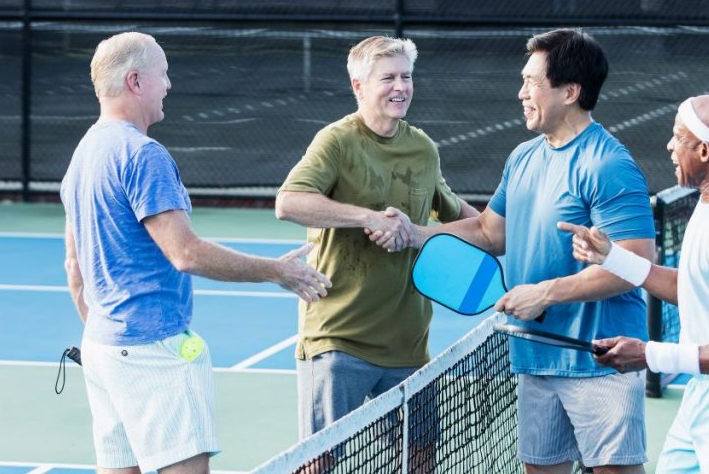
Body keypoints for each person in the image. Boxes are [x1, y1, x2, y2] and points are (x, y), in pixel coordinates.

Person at [61, 32, 331, 474]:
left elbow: (74, 266)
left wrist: (103, 335)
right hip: (152, 350)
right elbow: (185, 253)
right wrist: (276, 271)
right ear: (135, 81)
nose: (168, 84)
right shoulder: (142, 154)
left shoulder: (84, 152)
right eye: (163, 74)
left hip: (102, 349)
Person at [388, 28, 655, 474]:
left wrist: (544, 294)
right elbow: (491, 232)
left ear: (570, 91)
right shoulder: (524, 157)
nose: (521, 92)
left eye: (532, 82)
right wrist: (415, 234)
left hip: (598, 358)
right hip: (534, 354)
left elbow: (637, 265)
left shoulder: (608, 165)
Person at [560, 94, 709, 473]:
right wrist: (612, 257)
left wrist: (649, 354)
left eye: (677, 136)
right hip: (705, 388)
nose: (669, 145)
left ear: (703, 151)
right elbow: (696, 288)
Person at [274, 35, 479, 440]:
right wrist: (368, 218)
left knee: (420, 461)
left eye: (406, 77)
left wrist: (502, 227)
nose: (400, 87)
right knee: (321, 462)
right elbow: (289, 203)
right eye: (388, 78)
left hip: (409, 345)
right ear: (359, 86)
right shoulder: (336, 141)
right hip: (338, 341)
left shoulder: (423, 149)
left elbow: (460, 217)